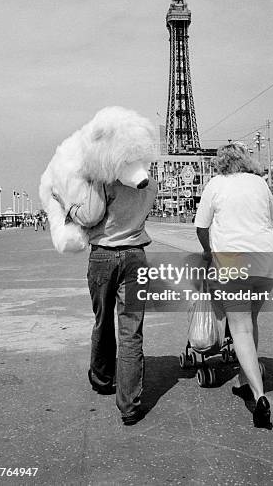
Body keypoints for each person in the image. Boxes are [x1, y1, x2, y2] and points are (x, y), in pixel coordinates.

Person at [194, 142, 273, 429]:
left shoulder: (216, 184)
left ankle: (258, 396)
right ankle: (245, 380)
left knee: (240, 327)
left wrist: (209, 252)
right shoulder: (260, 183)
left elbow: (201, 227)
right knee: (251, 321)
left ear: (221, 163)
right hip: (266, 261)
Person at [65, 177, 157, 425]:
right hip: (136, 256)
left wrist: (68, 205)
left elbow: (90, 216)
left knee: (103, 321)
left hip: (104, 255)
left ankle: (103, 379)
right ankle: (129, 406)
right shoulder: (150, 184)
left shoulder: (104, 180)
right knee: (131, 330)